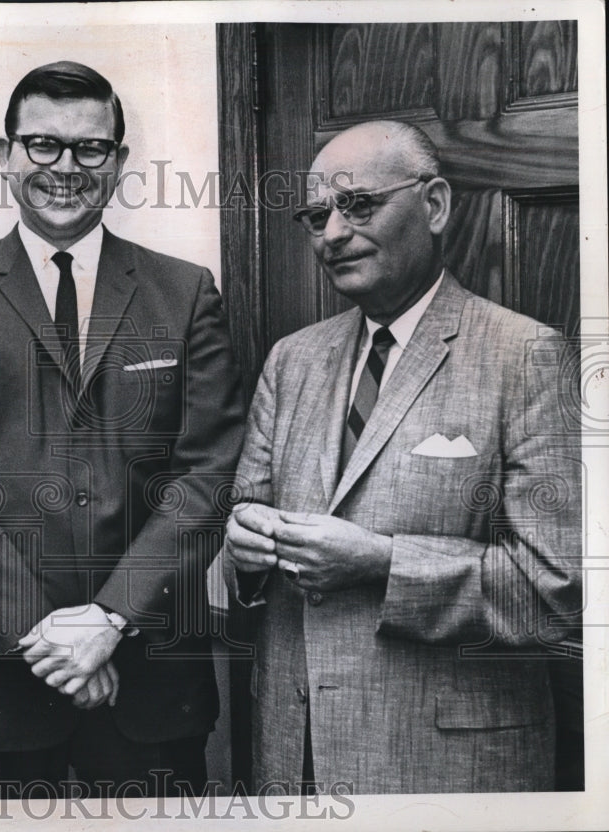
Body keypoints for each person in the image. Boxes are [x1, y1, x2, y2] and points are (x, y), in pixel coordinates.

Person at [0, 61, 244, 795]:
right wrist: (49, 635)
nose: (65, 168)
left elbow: (209, 473)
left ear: (118, 161)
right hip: (4, 687)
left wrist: (110, 618)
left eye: (90, 148)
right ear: (6, 155)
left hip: (154, 686)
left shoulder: (186, 293)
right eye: (43, 145)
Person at [224, 120, 581, 794]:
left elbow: (556, 591)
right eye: (317, 216)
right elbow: (245, 522)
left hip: (446, 772)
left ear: (434, 205)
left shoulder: (527, 357)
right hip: (294, 759)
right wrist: (242, 548)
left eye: (358, 205)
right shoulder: (291, 360)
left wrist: (383, 563)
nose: (332, 234)